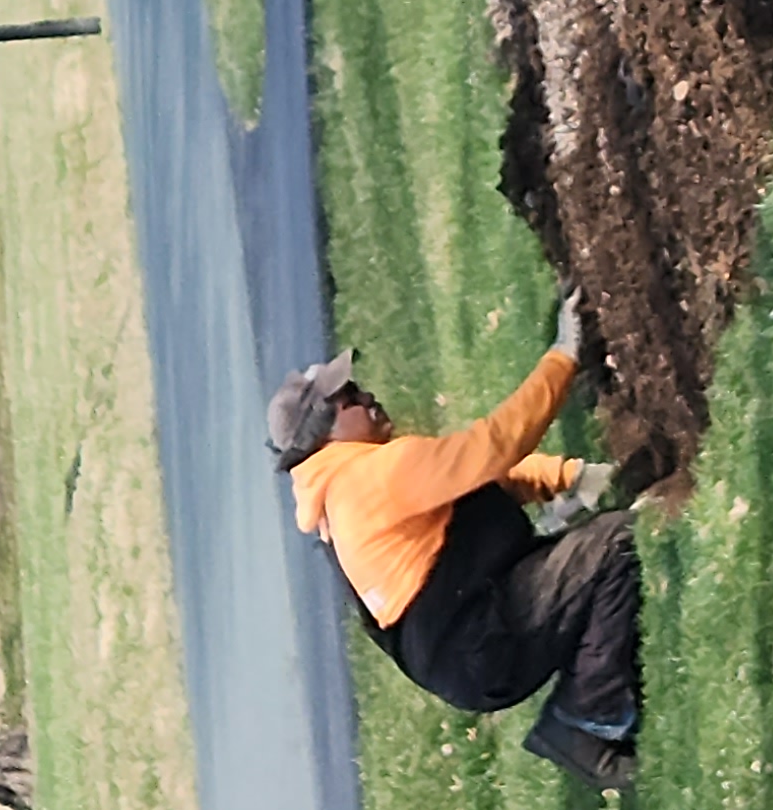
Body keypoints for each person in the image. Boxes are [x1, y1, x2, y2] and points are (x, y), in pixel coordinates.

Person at [273, 295, 638, 782]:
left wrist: (568, 477)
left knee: (588, 561)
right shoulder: (367, 481)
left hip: (470, 654)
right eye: (351, 398)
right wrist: (564, 355)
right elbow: (492, 447)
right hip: (484, 641)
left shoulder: (339, 506)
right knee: (616, 545)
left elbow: (469, 484)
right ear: (327, 433)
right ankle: (589, 716)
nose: (368, 397)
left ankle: (592, 690)